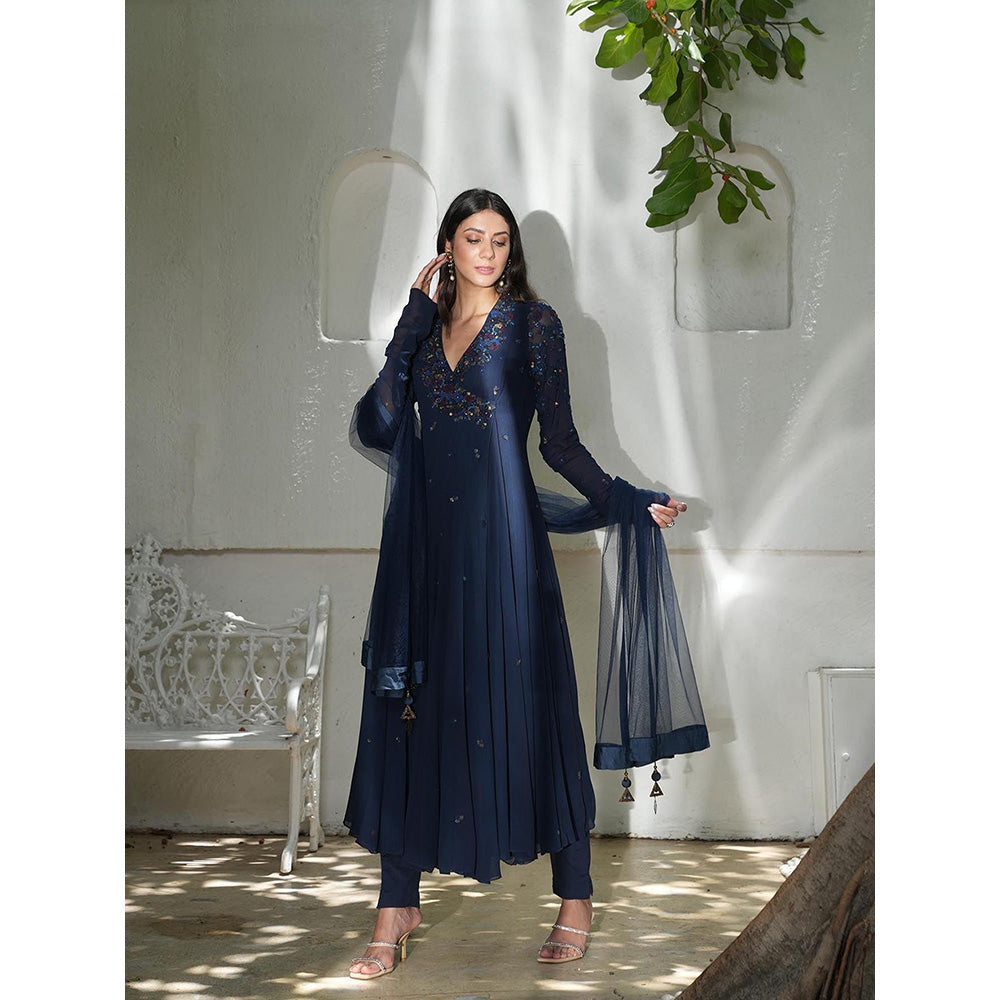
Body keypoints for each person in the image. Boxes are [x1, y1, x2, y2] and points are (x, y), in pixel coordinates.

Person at [343, 188, 705, 981]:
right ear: (446, 246)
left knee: (535, 712)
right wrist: (410, 319)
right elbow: (376, 425)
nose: (486, 252)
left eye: (499, 240)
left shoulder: (534, 327)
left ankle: (575, 896)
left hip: (505, 552)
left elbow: (561, 444)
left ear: (511, 252)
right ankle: (395, 905)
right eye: (472, 237)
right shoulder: (423, 331)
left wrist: (626, 498)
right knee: (409, 714)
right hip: (425, 556)